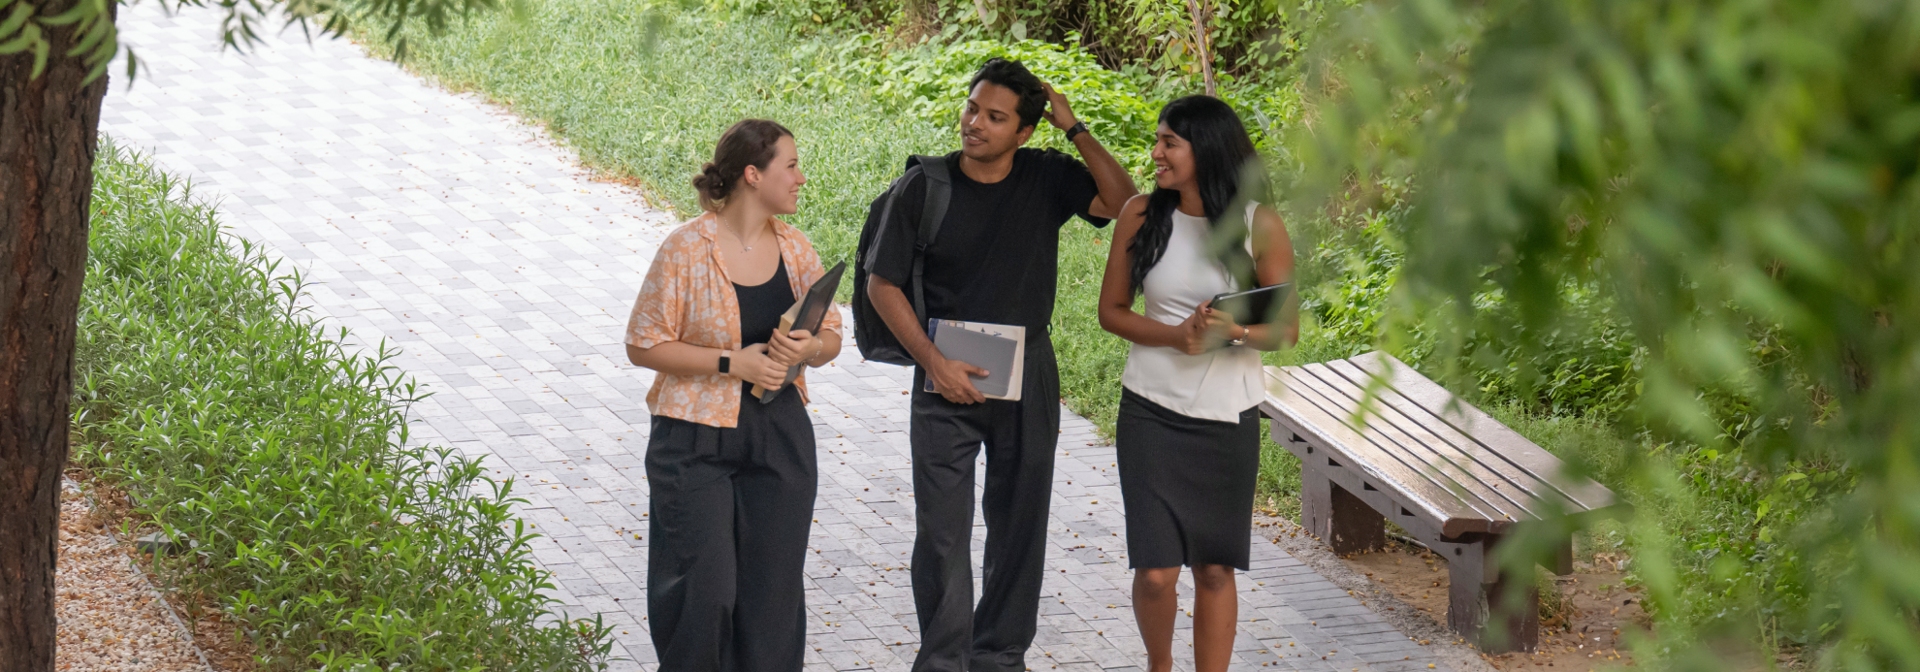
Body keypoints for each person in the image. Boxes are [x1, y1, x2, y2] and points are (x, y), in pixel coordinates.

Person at [863, 57, 1138, 672]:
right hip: (943, 374)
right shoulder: (924, 186)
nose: (974, 124)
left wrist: (1075, 127)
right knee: (942, 532)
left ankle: (999, 655)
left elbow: (1124, 204)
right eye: (971, 108)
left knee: (1019, 523)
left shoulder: (1047, 175)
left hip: (1028, 369)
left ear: (1024, 132)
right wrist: (935, 364)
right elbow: (884, 286)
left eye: (994, 116)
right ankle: (942, 660)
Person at [624, 119, 842, 672]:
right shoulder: (685, 249)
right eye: (790, 166)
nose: (800, 178)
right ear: (753, 174)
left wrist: (807, 349)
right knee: (705, 593)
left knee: (773, 601)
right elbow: (642, 343)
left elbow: (833, 334)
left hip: (780, 436)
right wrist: (732, 363)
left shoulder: (796, 249)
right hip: (693, 440)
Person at [1095, 95, 1297, 672]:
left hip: (1226, 419)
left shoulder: (1260, 224)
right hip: (1150, 412)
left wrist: (1235, 331)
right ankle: (1160, 666)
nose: (1155, 153)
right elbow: (1112, 311)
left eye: (1168, 143)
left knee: (1214, 567)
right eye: (1157, 140)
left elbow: (1285, 330)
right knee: (1156, 573)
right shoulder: (1139, 213)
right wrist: (1174, 336)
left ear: (1205, 150)